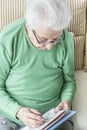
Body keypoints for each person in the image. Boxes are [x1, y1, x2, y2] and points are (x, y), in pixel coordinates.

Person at [0, 0, 76, 130]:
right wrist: (18, 112)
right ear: (29, 26)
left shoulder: (66, 39)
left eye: (56, 39)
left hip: (51, 118)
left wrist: (67, 99)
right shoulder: (9, 38)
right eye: (43, 40)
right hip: (10, 118)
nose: (50, 46)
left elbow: (69, 81)